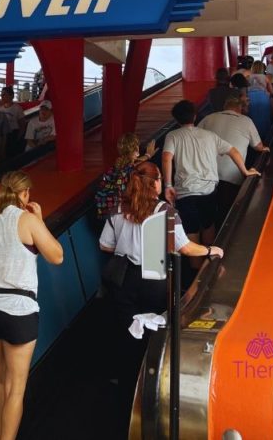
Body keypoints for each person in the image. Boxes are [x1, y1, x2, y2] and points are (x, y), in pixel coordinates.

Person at [98, 161, 222, 397]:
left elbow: (105, 245)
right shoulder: (165, 212)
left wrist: (127, 244)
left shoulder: (117, 209)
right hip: (154, 279)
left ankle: (126, 383)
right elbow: (185, 248)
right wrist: (209, 250)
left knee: (127, 330)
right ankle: (152, 385)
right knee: (156, 330)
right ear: (155, 183)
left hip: (123, 279)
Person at [0, 172, 64, 440]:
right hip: (19, 310)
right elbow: (57, 256)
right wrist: (40, 222)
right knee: (15, 387)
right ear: (25, 194)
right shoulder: (28, 221)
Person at [162, 100, 259, 251]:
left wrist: (168, 186)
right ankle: (210, 261)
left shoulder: (172, 136)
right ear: (194, 117)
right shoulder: (210, 136)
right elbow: (233, 151)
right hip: (209, 191)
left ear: (176, 119)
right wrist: (245, 171)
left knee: (191, 232)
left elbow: (167, 158)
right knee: (209, 226)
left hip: (185, 192)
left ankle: (195, 270)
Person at [199, 93, 269, 220]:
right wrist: (264, 148)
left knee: (206, 215)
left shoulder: (208, 118)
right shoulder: (246, 121)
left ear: (225, 107)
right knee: (225, 211)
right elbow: (258, 146)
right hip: (231, 176)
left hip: (205, 173)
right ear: (239, 108)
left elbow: (195, 138)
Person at [94, 132, 157, 224]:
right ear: (136, 149)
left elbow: (134, 163)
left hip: (103, 212)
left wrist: (147, 156)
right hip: (119, 214)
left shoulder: (114, 169)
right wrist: (148, 156)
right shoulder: (133, 172)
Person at [0, 86, 27, 157]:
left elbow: (22, 125)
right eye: (1, 95)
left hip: (13, 135)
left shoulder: (17, 108)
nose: (2, 96)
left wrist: (17, 138)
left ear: (11, 96)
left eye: (4, 94)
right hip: (2, 136)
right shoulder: (0, 109)